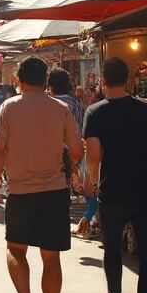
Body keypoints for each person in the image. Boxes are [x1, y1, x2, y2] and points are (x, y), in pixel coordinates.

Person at [0, 57, 83, 293]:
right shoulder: (61, 108)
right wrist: (67, 171)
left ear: (19, 79)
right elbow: (77, 149)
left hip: (20, 191)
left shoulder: (9, 107)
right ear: (46, 81)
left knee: (16, 250)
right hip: (54, 191)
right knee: (50, 257)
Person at [83, 57, 147, 293]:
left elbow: (93, 156)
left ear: (103, 80)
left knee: (113, 249)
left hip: (114, 192)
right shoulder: (146, 110)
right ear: (128, 79)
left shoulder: (94, 112)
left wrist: (91, 181)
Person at [48, 68, 92, 239]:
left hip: (51, 150)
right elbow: (81, 129)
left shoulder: (48, 103)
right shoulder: (76, 103)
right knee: (67, 184)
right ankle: (62, 214)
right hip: (73, 150)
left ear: (50, 85)